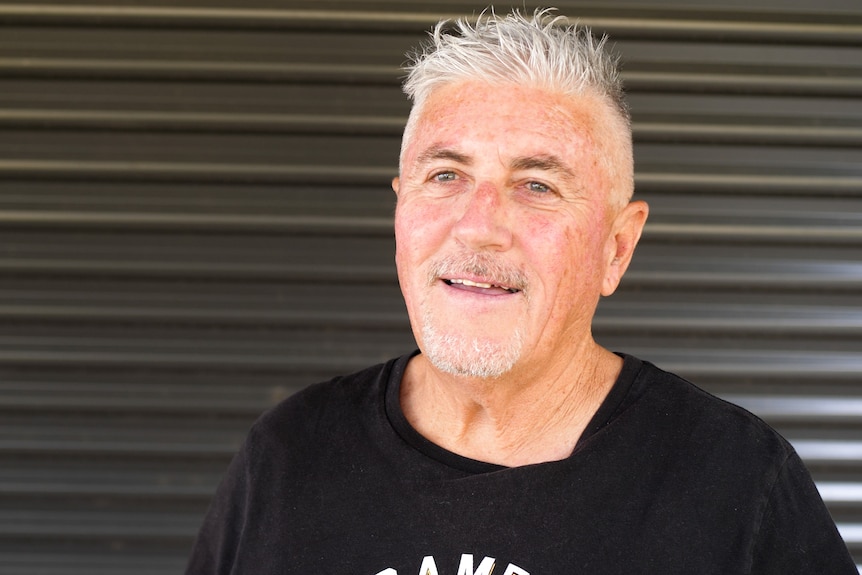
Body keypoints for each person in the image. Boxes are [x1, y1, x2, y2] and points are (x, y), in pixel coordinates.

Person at [186, 8, 856, 574]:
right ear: (400, 210)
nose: (479, 227)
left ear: (616, 248)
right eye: (445, 175)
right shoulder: (289, 457)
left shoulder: (737, 485)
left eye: (537, 184)